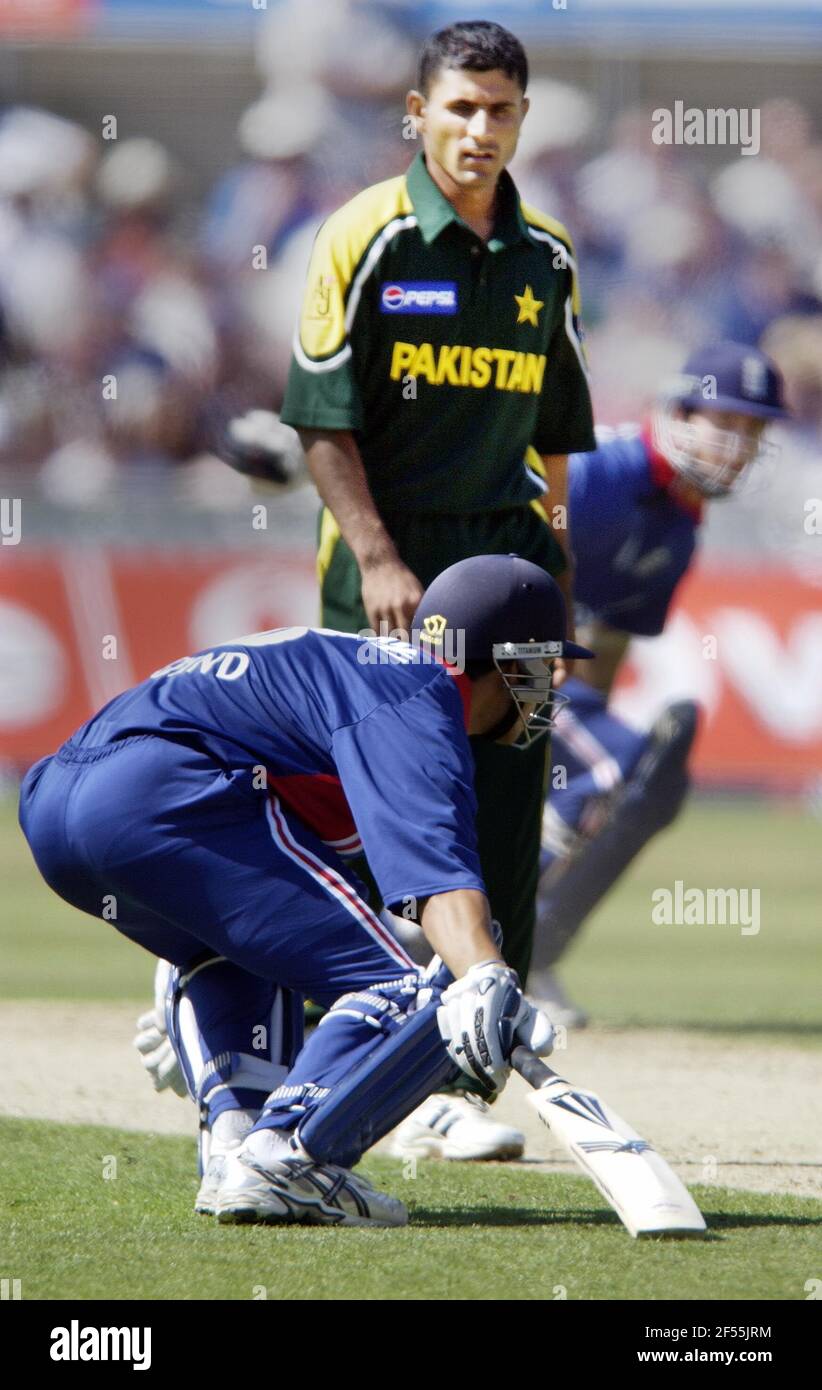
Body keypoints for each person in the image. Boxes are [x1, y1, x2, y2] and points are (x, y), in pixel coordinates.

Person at [19, 555, 591, 1227]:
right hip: (159, 792)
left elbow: (292, 902)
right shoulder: (420, 691)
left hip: (58, 800)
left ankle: (237, 1143)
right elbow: (439, 881)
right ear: (501, 658)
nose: (548, 686)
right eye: (541, 664)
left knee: (241, 956)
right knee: (410, 996)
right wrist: (487, 975)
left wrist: (199, 1015)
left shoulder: (371, 672)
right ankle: (291, 1157)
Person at [276, 19, 596, 1156]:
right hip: (389, 576)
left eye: (501, 109)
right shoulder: (362, 236)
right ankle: (326, 1063)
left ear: (522, 116)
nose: (480, 129)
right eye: (459, 108)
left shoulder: (546, 256)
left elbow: (559, 438)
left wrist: (554, 567)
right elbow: (320, 425)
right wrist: (374, 558)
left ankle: (464, 1085)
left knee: (508, 819)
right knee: (367, 830)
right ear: (419, 114)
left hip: (508, 582)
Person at [528, 342, 788, 1025]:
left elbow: (605, 648)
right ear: (678, 410)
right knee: (619, 766)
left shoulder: (681, 525)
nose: (738, 447)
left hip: (548, 684)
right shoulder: (594, 470)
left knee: (647, 782)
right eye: (726, 424)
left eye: (753, 433)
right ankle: (476, 941)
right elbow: (498, 568)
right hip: (479, 663)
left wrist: (563, 760)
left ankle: (528, 948)